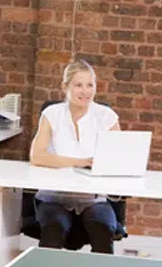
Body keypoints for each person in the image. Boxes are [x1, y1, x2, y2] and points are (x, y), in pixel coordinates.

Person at [28, 59, 121, 254]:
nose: (85, 91)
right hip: (54, 197)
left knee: (103, 229)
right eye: (78, 85)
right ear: (65, 87)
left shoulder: (106, 116)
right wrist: (80, 162)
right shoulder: (51, 114)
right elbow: (37, 156)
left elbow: (117, 160)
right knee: (54, 228)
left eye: (90, 85)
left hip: (93, 199)